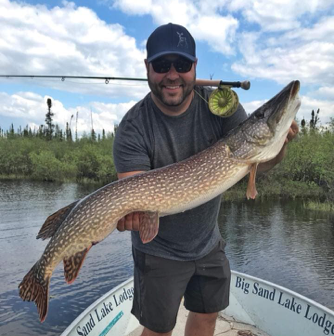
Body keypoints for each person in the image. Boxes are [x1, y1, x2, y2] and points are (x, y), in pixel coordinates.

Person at [113, 23, 298, 336]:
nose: (172, 74)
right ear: (148, 68)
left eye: (182, 65)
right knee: (158, 330)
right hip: (159, 250)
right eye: (162, 65)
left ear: (194, 67)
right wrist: (124, 217)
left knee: (207, 315)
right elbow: (134, 197)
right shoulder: (133, 128)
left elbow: (259, 163)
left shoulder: (221, 107)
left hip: (208, 242)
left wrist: (278, 147)